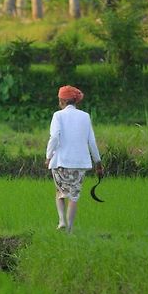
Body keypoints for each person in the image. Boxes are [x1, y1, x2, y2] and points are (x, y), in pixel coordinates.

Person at [45, 85, 103, 232]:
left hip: (60, 162)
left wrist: (48, 156)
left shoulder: (58, 115)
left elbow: (54, 137)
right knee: (74, 196)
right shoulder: (85, 116)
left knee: (60, 192)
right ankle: (70, 229)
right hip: (79, 163)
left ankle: (61, 220)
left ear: (62, 101)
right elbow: (91, 142)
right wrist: (98, 163)